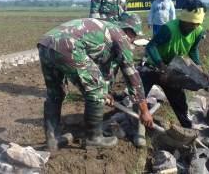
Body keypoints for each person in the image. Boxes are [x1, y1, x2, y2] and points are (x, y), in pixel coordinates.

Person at [37, 13, 153, 150]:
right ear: (129, 31)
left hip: (45, 44)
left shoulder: (105, 33)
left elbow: (102, 70)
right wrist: (145, 111)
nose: (133, 40)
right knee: (96, 91)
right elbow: (132, 77)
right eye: (134, 36)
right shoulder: (121, 36)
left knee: (55, 93)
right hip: (69, 45)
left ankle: (52, 139)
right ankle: (94, 138)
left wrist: (107, 93)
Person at [140, 0, 207, 128]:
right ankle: (137, 126)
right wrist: (161, 67)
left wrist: (199, 68)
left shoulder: (198, 31)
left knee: (179, 103)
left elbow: (193, 50)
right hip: (154, 66)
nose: (194, 27)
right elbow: (150, 47)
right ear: (184, 20)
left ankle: (187, 129)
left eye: (197, 24)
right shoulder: (169, 29)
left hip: (173, 70)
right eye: (192, 23)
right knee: (139, 96)